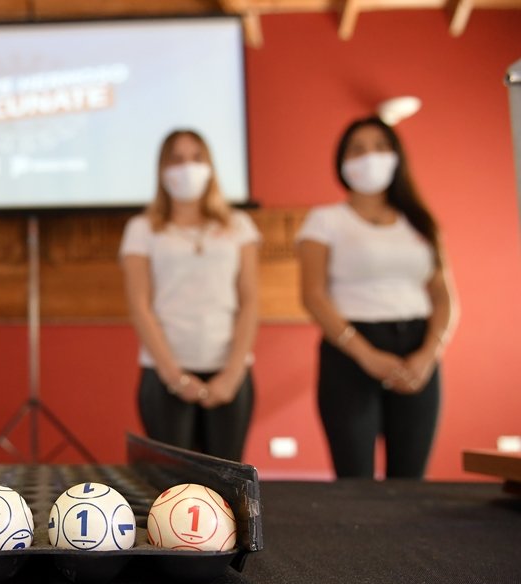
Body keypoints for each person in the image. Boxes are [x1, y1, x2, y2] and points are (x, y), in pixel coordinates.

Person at [297, 116, 458, 479]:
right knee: (354, 480)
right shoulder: (324, 221)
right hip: (350, 350)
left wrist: (429, 353)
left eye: (380, 147)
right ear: (341, 161)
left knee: (411, 480)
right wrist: (366, 355)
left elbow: (444, 297)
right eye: (357, 149)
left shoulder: (420, 222)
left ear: (397, 156)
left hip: (417, 350)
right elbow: (313, 295)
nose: (369, 157)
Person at [120, 129, 260, 460]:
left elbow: (250, 301)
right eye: (177, 159)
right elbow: (139, 305)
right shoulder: (142, 229)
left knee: (227, 489)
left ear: (210, 165)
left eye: (196, 158)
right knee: (172, 490)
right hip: (165, 373)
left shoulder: (239, 225)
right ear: (162, 169)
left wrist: (232, 375)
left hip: (229, 371)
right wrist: (174, 376)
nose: (187, 167)